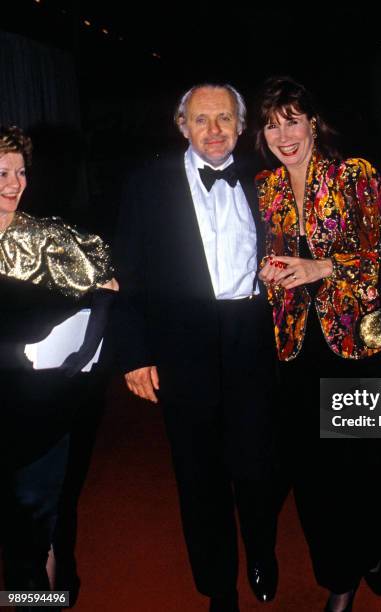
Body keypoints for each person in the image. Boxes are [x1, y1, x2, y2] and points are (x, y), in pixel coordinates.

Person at [112, 83, 278, 612]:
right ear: (181, 124)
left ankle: (260, 550)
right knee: (198, 473)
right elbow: (129, 272)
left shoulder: (265, 176)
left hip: (252, 335)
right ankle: (218, 586)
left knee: (257, 463)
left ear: (241, 124)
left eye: (225, 118)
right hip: (182, 341)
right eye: (202, 119)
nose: (214, 130)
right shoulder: (148, 184)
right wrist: (134, 352)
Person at [255, 76, 381, 612]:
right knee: (315, 477)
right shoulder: (266, 188)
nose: (284, 134)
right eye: (272, 124)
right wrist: (268, 274)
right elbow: (265, 262)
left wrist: (320, 266)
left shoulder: (353, 174)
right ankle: (339, 577)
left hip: (357, 346)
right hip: (295, 351)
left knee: (371, 467)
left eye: (293, 119)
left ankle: (374, 542)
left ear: (314, 122)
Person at [0, 125, 117, 610]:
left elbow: (108, 289)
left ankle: (37, 597)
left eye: (20, 171)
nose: (15, 183)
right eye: (2, 173)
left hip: (40, 409)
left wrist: (77, 360)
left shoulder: (49, 238)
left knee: (34, 517)